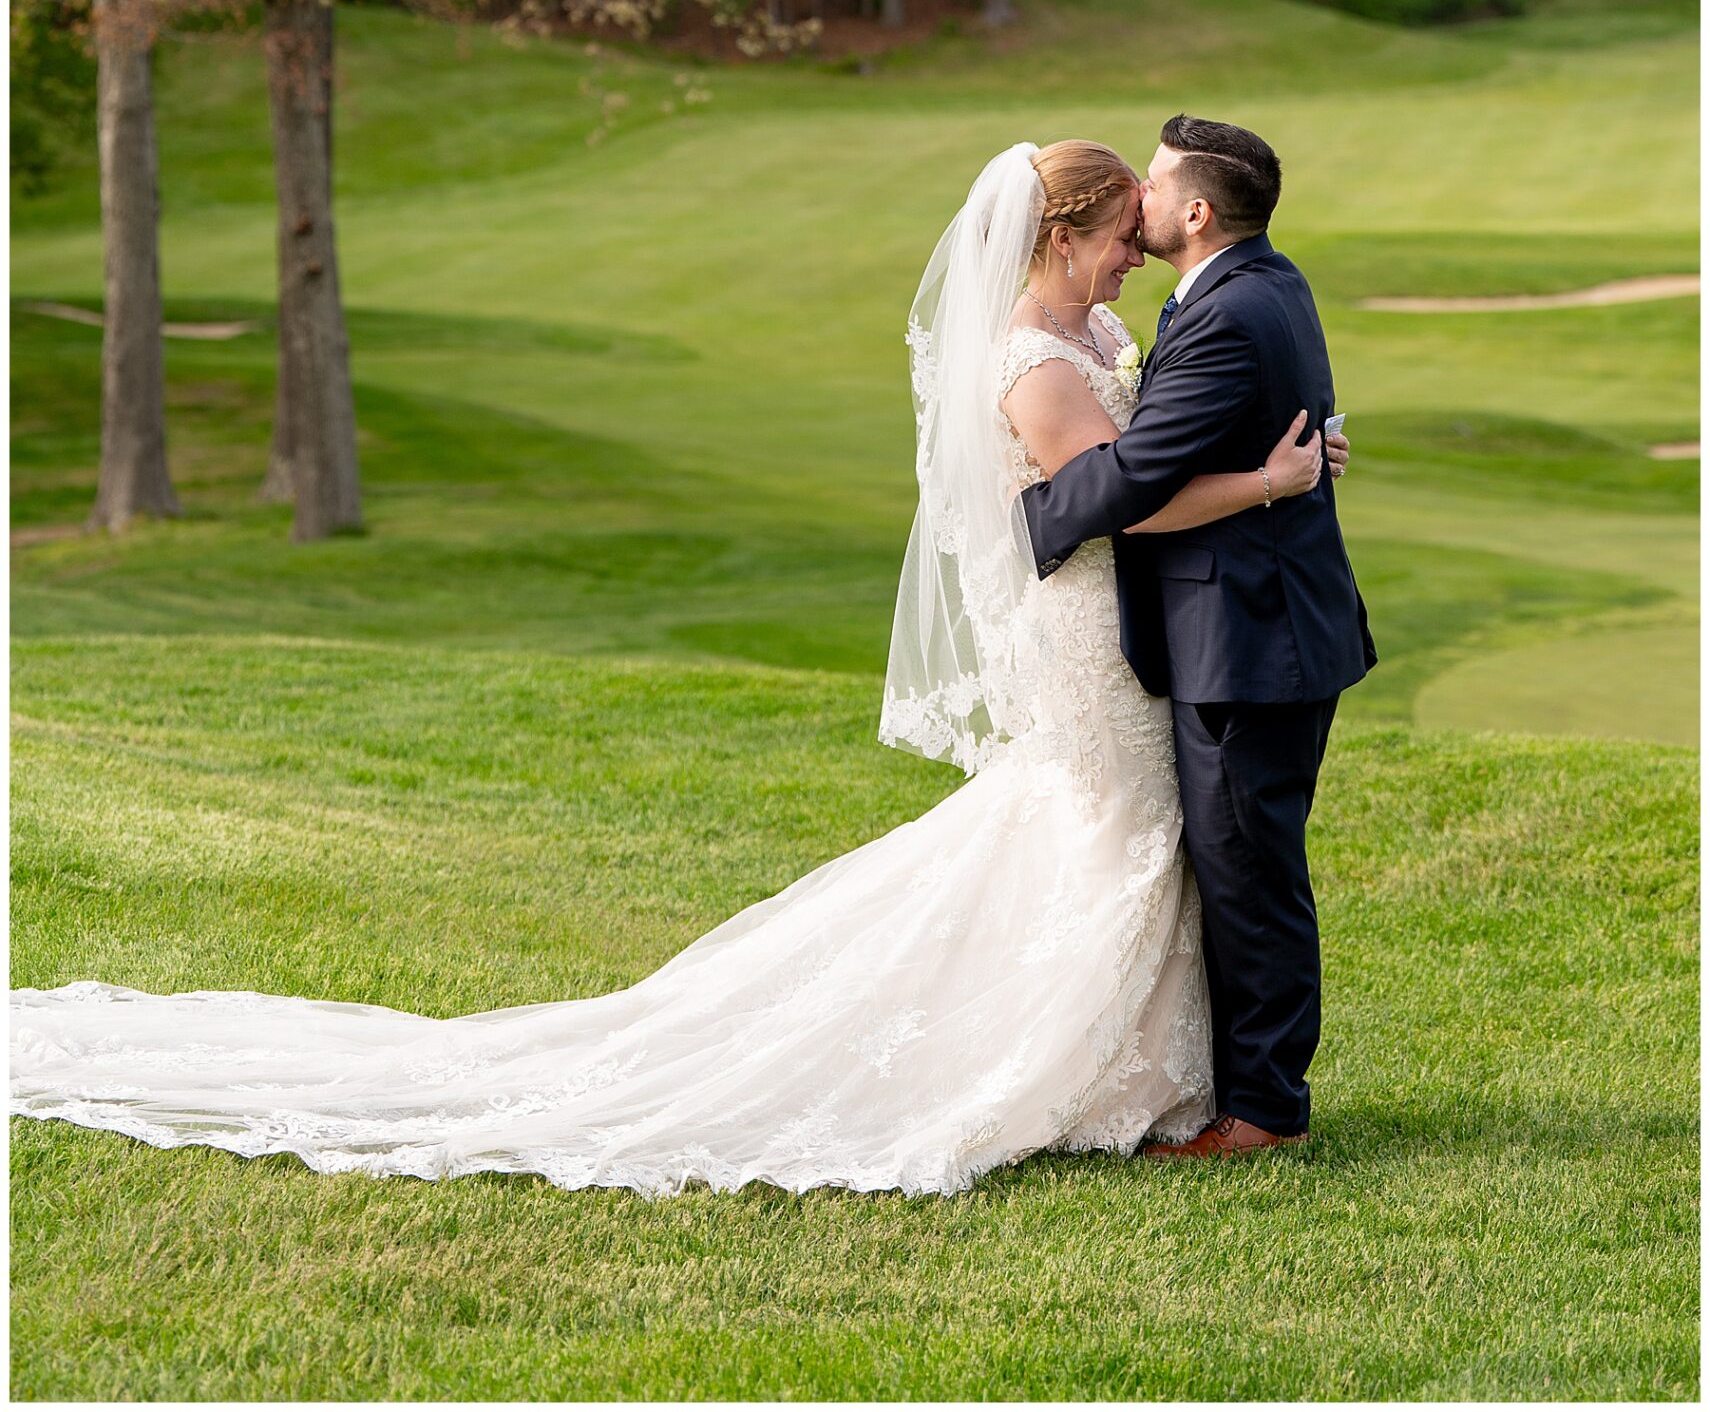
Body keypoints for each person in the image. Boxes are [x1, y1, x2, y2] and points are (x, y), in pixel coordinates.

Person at [10, 139, 1344, 1198]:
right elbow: (1110, 496)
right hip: (1080, 632)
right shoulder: (1036, 360)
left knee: (1139, 829)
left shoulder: (1105, 337)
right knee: (1101, 820)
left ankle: (1168, 1077)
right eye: (1118, 234)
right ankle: (1081, 1072)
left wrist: (1255, 471)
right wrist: (1268, 482)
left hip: (1119, 630)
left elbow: (1149, 455)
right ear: (1060, 235)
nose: (1132, 254)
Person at [1019, 116, 1376, 1160]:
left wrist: (1031, 515)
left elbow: (1135, 477)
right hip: (1261, 622)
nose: (1141, 199)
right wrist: (1285, 464)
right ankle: (1245, 1087)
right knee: (1242, 863)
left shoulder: (1222, 312)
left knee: (1249, 873)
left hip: (1247, 636)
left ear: (1196, 211)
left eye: (1158, 181)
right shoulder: (1267, 280)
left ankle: (1263, 1111)